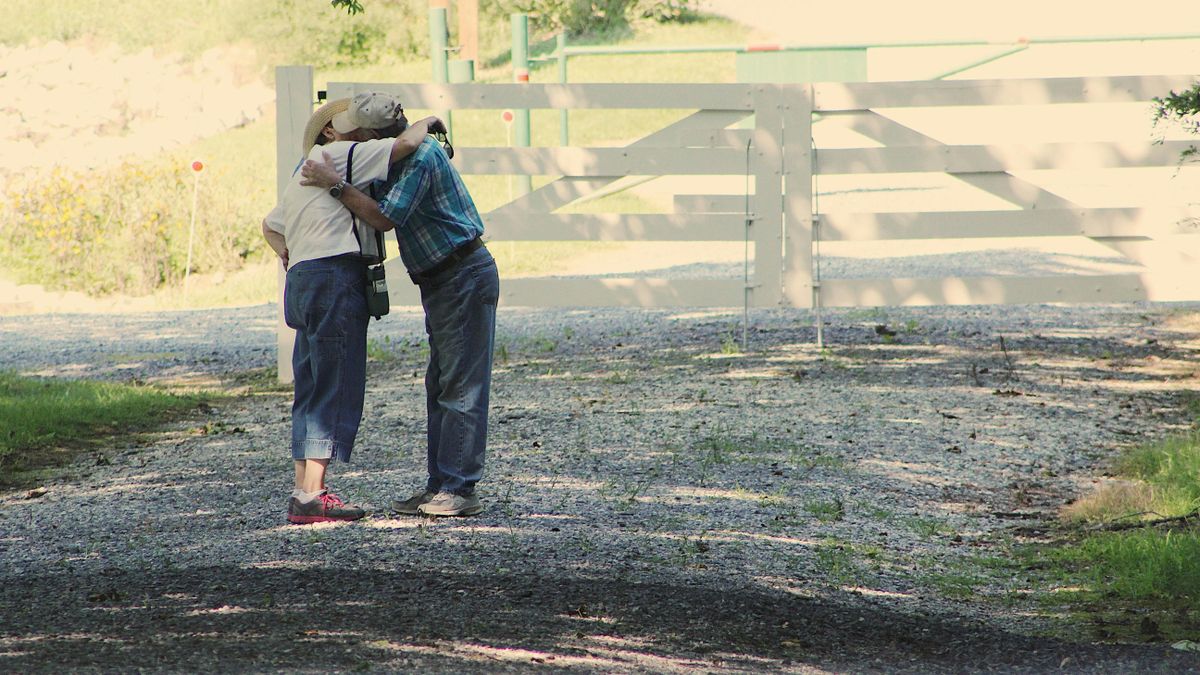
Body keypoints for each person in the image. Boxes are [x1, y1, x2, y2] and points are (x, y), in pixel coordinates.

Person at [300, 99, 498, 518]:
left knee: (460, 384)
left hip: (461, 273)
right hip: (444, 277)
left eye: (360, 134)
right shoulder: (400, 154)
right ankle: (440, 484)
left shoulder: (418, 158)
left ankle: (460, 488)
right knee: (442, 383)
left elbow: (384, 218)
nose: (355, 139)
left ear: (376, 136)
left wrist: (335, 184)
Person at [262, 92, 444, 524]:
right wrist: (430, 119)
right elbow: (404, 145)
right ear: (332, 130)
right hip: (333, 274)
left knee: (309, 384)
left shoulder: (301, 173)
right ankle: (314, 496)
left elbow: (270, 226)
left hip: (302, 279)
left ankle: (303, 491)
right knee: (336, 380)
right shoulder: (343, 155)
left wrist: (287, 251)